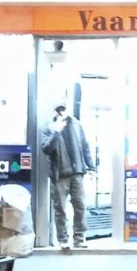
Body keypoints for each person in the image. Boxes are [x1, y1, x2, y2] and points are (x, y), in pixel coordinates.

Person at [40, 103, 95, 249]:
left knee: (80, 205)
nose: (62, 113)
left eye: (63, 110)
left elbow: (85, 145)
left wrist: (91, 166)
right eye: (59, 110)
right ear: (55, 112)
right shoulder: (49, 128)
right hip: (59, 175)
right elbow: (46, 149)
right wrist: (56, 132)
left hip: (77, 173)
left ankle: (79, 238)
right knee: (60, 209)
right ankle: (63, 239)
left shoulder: (76, 124)